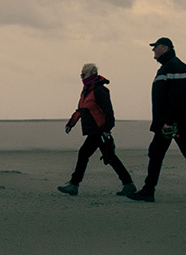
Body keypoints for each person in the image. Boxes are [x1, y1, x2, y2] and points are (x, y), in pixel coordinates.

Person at [129, 37, 186, 202]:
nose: (153, 50)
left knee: (184, 153)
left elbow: (178, 96)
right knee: (159, 152)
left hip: (174, 124)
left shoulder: (175, 66)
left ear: (165, 48)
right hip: (170, 122)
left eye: (156, 47)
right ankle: (149, 190)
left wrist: (169, 121)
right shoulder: (167, 67)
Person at [57, 62, 135, 197]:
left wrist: (106, 129)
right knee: (108, 156)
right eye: (81, 74)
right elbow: (80, 110)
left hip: (99, 130)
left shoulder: (99, 91)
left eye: (83, 74)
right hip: (94, 131)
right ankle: (128, 184)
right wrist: (71, 123)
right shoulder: (86, 91)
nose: (81, 77)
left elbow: (108, 111)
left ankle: (74, 185)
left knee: (88, 154)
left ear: (91, 74)